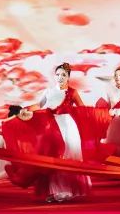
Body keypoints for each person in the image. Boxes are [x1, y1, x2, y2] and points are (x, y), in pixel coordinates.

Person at [34, 62, 90, 202]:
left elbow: (82, 109)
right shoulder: (48, 91)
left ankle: (67, 190)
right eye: (58, 74)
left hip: (68, 127)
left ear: (68, 77)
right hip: (51, 127)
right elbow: (38, 105)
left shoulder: (72, 92)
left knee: (68, 157)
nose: (60, 77)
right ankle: (53, 191)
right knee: (52, 157)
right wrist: (25, 110)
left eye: (63, 75)